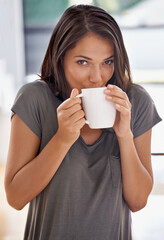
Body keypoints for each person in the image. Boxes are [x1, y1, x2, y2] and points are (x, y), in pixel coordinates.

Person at [4, 4, 161, 240]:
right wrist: (62, 139)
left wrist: (124, 135)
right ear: (60, 58)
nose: (97, 77)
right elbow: (16, 198)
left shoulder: (136, 103)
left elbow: (138, 201)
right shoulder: (34, 99)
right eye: (83, 62)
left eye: (107, 62)